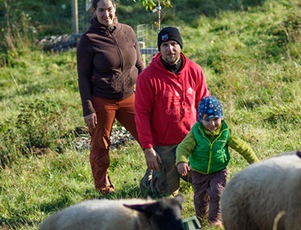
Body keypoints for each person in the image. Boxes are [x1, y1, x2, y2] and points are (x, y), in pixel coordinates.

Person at [76, 0, 143, 194]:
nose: (106, 14)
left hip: (129, 96)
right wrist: (88, 108)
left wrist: (149, 94)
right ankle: (103, 188)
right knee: (100, 145)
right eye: (101, 10)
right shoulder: (88, 39)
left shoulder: (128, 32)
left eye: (109, 9)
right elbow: (82, 77)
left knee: (148, 135)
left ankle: (160, 176)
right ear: (95, 11)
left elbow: (139, 66)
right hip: (102, 100)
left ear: (115, 8)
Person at [135, 27, 210, 197]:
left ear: (180, 46)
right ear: (159, 49)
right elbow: (141, 114)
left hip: (191, 140)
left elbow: (204, 105)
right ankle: (151, 180)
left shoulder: (194, 71)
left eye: (174, 44)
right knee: (167, 192)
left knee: (206, 180)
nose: (170, 49)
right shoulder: (148, 77)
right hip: (164, 145)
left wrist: (207, 137)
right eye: (165, 45)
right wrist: (148, 149)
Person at [175, 96, 259, 227]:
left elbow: (242, 147)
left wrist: (255, 163)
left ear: (222, 118)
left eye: (216, 119)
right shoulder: (196, 132)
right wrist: (182, 161)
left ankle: (215, 220)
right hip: (198, 171)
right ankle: (201, 219)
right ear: (200, 119)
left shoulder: (225, 132)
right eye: (207, 120)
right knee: (200, 197)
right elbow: (183, 147)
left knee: (217, 192)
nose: (212, 123)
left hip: (219, 170)